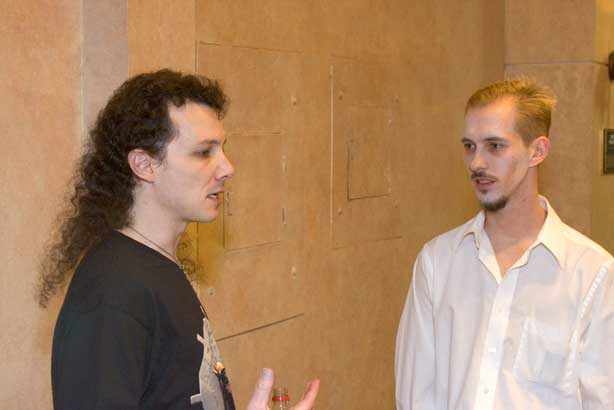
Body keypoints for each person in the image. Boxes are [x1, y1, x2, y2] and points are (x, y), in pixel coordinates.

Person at [38, 69, 319, 410]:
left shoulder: (155, 266)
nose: (227, 168)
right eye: (203, 152)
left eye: (222, 149)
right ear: (144, 165)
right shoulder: (112, 292)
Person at [395, 78, 614, 409]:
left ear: (537, 151)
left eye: (494, 146)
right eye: (469, 146)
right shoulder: (437, 262)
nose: (476, 163)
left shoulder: (593, 274)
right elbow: (415, 397)